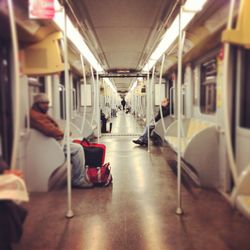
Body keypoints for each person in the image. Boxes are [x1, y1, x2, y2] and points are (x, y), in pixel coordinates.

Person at [30, 93, 93, 188]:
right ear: (37, 104)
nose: (47, 106)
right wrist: (63, 133)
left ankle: (78, 175)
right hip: (49, 144)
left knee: (75, 142)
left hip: (51, 141)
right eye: (44, 103)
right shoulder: (36, 116)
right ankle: (78, 179)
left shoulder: (39, 114)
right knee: (78, 148)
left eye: (47, 103)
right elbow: (49, 130)